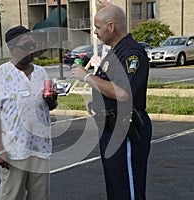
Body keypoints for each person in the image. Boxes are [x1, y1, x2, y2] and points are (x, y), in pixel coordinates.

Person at [71, 3, 152, 200]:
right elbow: (109, 85)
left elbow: (124, 93)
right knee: (116, 187)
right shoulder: (114, 52)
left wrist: (87, 77)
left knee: (128, 189)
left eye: (98, 27)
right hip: (111, 128)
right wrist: (97, 99)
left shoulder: (132, 53)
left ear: (111, 26)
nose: (96, 32)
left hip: (126, 130)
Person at [0, 25, 57, 200]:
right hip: (13, 151)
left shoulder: (41, 72)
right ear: (12, 48)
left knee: (40, 196)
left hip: (40, 148)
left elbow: (49, 106)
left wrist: (51, 100)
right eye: (25, 46)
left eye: (33, 45)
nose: (31, 50)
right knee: (12, 196)